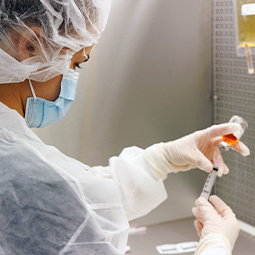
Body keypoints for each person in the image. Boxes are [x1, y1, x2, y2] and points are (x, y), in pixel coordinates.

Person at [0, 1, 250, 254]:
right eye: (76, 63)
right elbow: (56, 206)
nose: (73, 77)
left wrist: (158, 161)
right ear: (30, 45)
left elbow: (75, 200)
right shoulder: (23, 176)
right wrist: (215, 245)